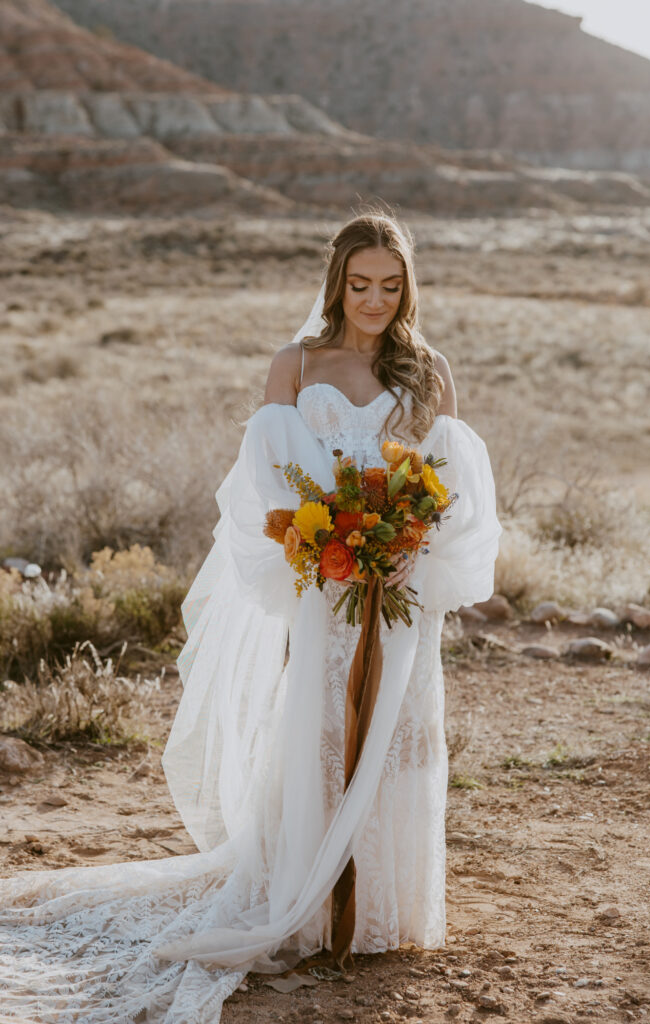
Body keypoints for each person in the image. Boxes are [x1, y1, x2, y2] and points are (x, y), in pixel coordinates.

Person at [0, 211, 502, 1023]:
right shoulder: (295, 365)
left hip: (399, 586)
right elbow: (268, 481)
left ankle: (385, 912)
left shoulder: (427, 370)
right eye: (359, 283)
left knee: (402, 734)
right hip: (326, 583)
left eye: (391, 284)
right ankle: (303, 901)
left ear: (408, 285)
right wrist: (328, 541)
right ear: (336, 282)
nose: (374, 300)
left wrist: (411, 542)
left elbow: (450, 486)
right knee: (316, 730)